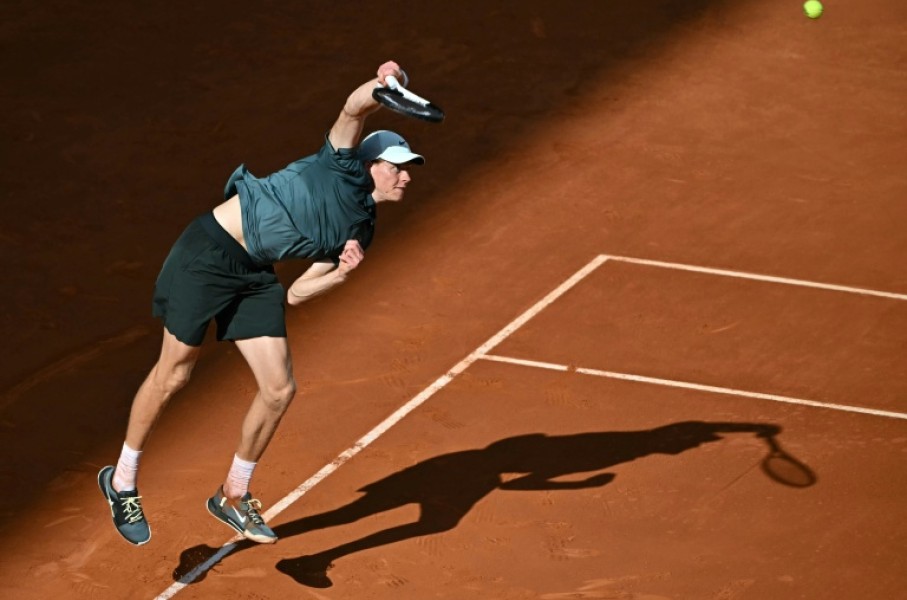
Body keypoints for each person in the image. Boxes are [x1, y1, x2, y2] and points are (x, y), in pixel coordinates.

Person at [98, 60, 425, 546]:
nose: (406, 177)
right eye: (398, 167)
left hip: (253, 276)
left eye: (408, 169)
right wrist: (382, 85)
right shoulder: (337, 165)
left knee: (279, 389)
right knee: (176, 373)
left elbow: (296, 293)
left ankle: (233, 493)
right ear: (369, 165)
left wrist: (341, 272)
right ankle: (121, 481)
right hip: (208, 253)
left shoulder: (362, 231)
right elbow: (353, 109)